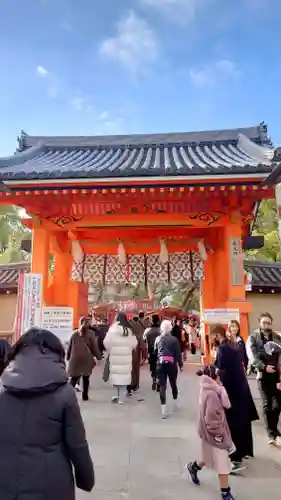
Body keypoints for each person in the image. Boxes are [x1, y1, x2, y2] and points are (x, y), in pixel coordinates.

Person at [0, 327, 95, 500]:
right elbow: (77, 444)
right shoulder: (64, 393)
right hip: (51, 483)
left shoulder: (2, 390)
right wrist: (86, 479)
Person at [214, 324, 259, 472]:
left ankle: (236, 457)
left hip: (232, 389)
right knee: (243, 421)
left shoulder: (222, 349)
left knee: (233, 424)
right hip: (242, 388)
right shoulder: (234, 346)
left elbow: (221, 368)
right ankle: (245, 451)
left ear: (216, 335)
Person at [187, 365, 235, 500]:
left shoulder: (207, 389)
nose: (221, 378)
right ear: (214, 377)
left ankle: (193, 467)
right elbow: (211, 419)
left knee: (207, 456)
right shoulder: (213, 394)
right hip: (215, 435)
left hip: (206, 433)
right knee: (223, 463)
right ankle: (225, 492)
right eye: (219, 376)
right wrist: (219, 434)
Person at [246, 312, 281, 445]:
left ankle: (274, 429)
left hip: (277, 375)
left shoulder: (277, 337)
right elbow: (252, 355)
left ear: (271, 323)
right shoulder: (253, 337)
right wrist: (263, 367)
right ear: (259, 323)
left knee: (277, 405)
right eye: (263, 322)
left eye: (268, 322)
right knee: (267, 404)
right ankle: (271, 433)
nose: (266, 324)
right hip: (262, 374)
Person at [104, 312, 137, 404]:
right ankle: (121, 398)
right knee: (124, 376)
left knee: (116, 376)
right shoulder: (129, 330)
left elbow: (106, 343)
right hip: (126, 357)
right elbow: (134, 344)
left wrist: (111, 349)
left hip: (115, 356)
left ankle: (116, 395)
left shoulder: (112, 329)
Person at [67, 316, 101, 401]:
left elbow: (70, 347)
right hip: (86, 358)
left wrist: (68, 357)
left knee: (74, 378)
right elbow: (94, 347)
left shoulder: (74, 333)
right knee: (86, 378)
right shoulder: (91, 333)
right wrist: (98, 357)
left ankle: (67, 396)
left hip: (75, 358)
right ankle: (85, 396)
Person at [155, 319, 183, 418]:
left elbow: (155, 353)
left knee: (162, 386)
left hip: (160, 365)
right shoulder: (174, 340)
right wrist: (180, 365)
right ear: (170, 328)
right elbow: (178, 354)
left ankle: (164, 409)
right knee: (173, 383)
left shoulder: (158, 339)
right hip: (172, 365)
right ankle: (175, 403)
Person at [127, 315, 145, 395]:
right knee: (135, 369)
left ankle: (128, 385)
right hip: (135, 352)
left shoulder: (126, 328)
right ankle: (134, 384)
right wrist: (145, 354)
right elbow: (142, 343)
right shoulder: (139, 328)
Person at [143, 314, 161, 390]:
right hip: (160, 352)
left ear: (151, 321)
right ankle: (159, 381)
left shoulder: (147, 330)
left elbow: (144, 340)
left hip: (151, 351)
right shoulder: (161, 330)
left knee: (153, 367)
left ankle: (154, 379)